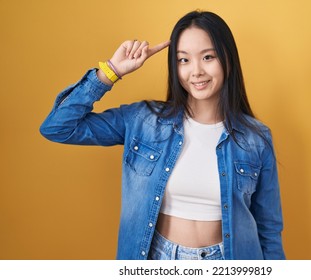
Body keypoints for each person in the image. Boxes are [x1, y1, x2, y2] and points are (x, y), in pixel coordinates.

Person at [40, 10, 285, 260]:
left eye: (208, 57)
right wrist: (111, 71)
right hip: (157, 257)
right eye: (183, 60)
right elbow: (58, 127)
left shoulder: (256, 139)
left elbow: (269, 230)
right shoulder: (144, 120)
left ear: (228, 59)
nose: (196, 71)